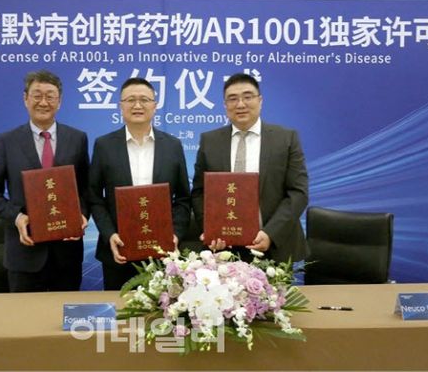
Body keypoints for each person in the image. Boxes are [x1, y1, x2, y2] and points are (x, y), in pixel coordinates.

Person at [0, 69, 89, 292]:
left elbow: (86, 188)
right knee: (25, 314)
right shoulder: (7, 141)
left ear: (59, 101)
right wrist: (17, 217)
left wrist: (82, 215)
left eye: (50, 96)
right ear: (25, 99)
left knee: (66, 313)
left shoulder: (77, 138)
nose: (43, 102)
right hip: (24, 253)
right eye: (37, 95)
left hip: (66, 253)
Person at [191, 72, 308, 263]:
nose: (240, 104)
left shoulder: (286, 139)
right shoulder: (209, 141)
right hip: (223, 249)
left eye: (247, 97)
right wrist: (211, 229)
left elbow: (298, 193)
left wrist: (271, 233)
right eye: (232, 99)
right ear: (225, 105)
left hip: (274, 246)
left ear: (260, 101)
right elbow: (199, 192)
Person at [89, 77, 191, 290]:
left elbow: (183, 198)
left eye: (144, 100)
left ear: (154, 105)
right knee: (120, 309)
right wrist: (109, 234)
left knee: (162, 309)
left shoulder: (172, 145)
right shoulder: (104, 145)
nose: (137, 105)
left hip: (162, 254)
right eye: (130, 100)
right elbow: (94, 197)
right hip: (118, 251)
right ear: (121, 106)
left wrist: (175, 235)